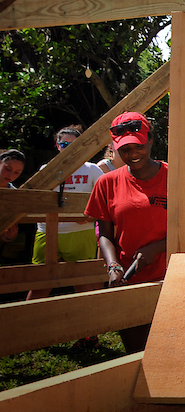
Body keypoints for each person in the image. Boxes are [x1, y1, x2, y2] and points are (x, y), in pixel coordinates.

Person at [85, 111, 185, 352]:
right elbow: (105, 234)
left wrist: (157, 248)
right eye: (125, 149)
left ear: (150, 140)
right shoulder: (106, 183)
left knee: (170, 350)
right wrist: (113, 266)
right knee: (136, 351)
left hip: (172, 278)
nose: (132, 154)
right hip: (130, 279)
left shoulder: (175, 177)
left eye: (138, 146)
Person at [26, 125, 105, 299]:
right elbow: (35, 198)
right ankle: (26, 323)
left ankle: (90, 323)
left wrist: (90, 217)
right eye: (64, 144)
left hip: (80, 233)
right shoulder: (46, 170)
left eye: (73, 145)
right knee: (40, 284)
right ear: (57, 145)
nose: (68, 149)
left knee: (83, 284)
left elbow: (106, 198)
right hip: (47, 231)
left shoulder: (91, 169)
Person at [1, 149, 28, 262]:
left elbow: (5, 234)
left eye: (17, 172)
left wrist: (8, 237)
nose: (11, 175)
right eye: (7, 169)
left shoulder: (15, 195)